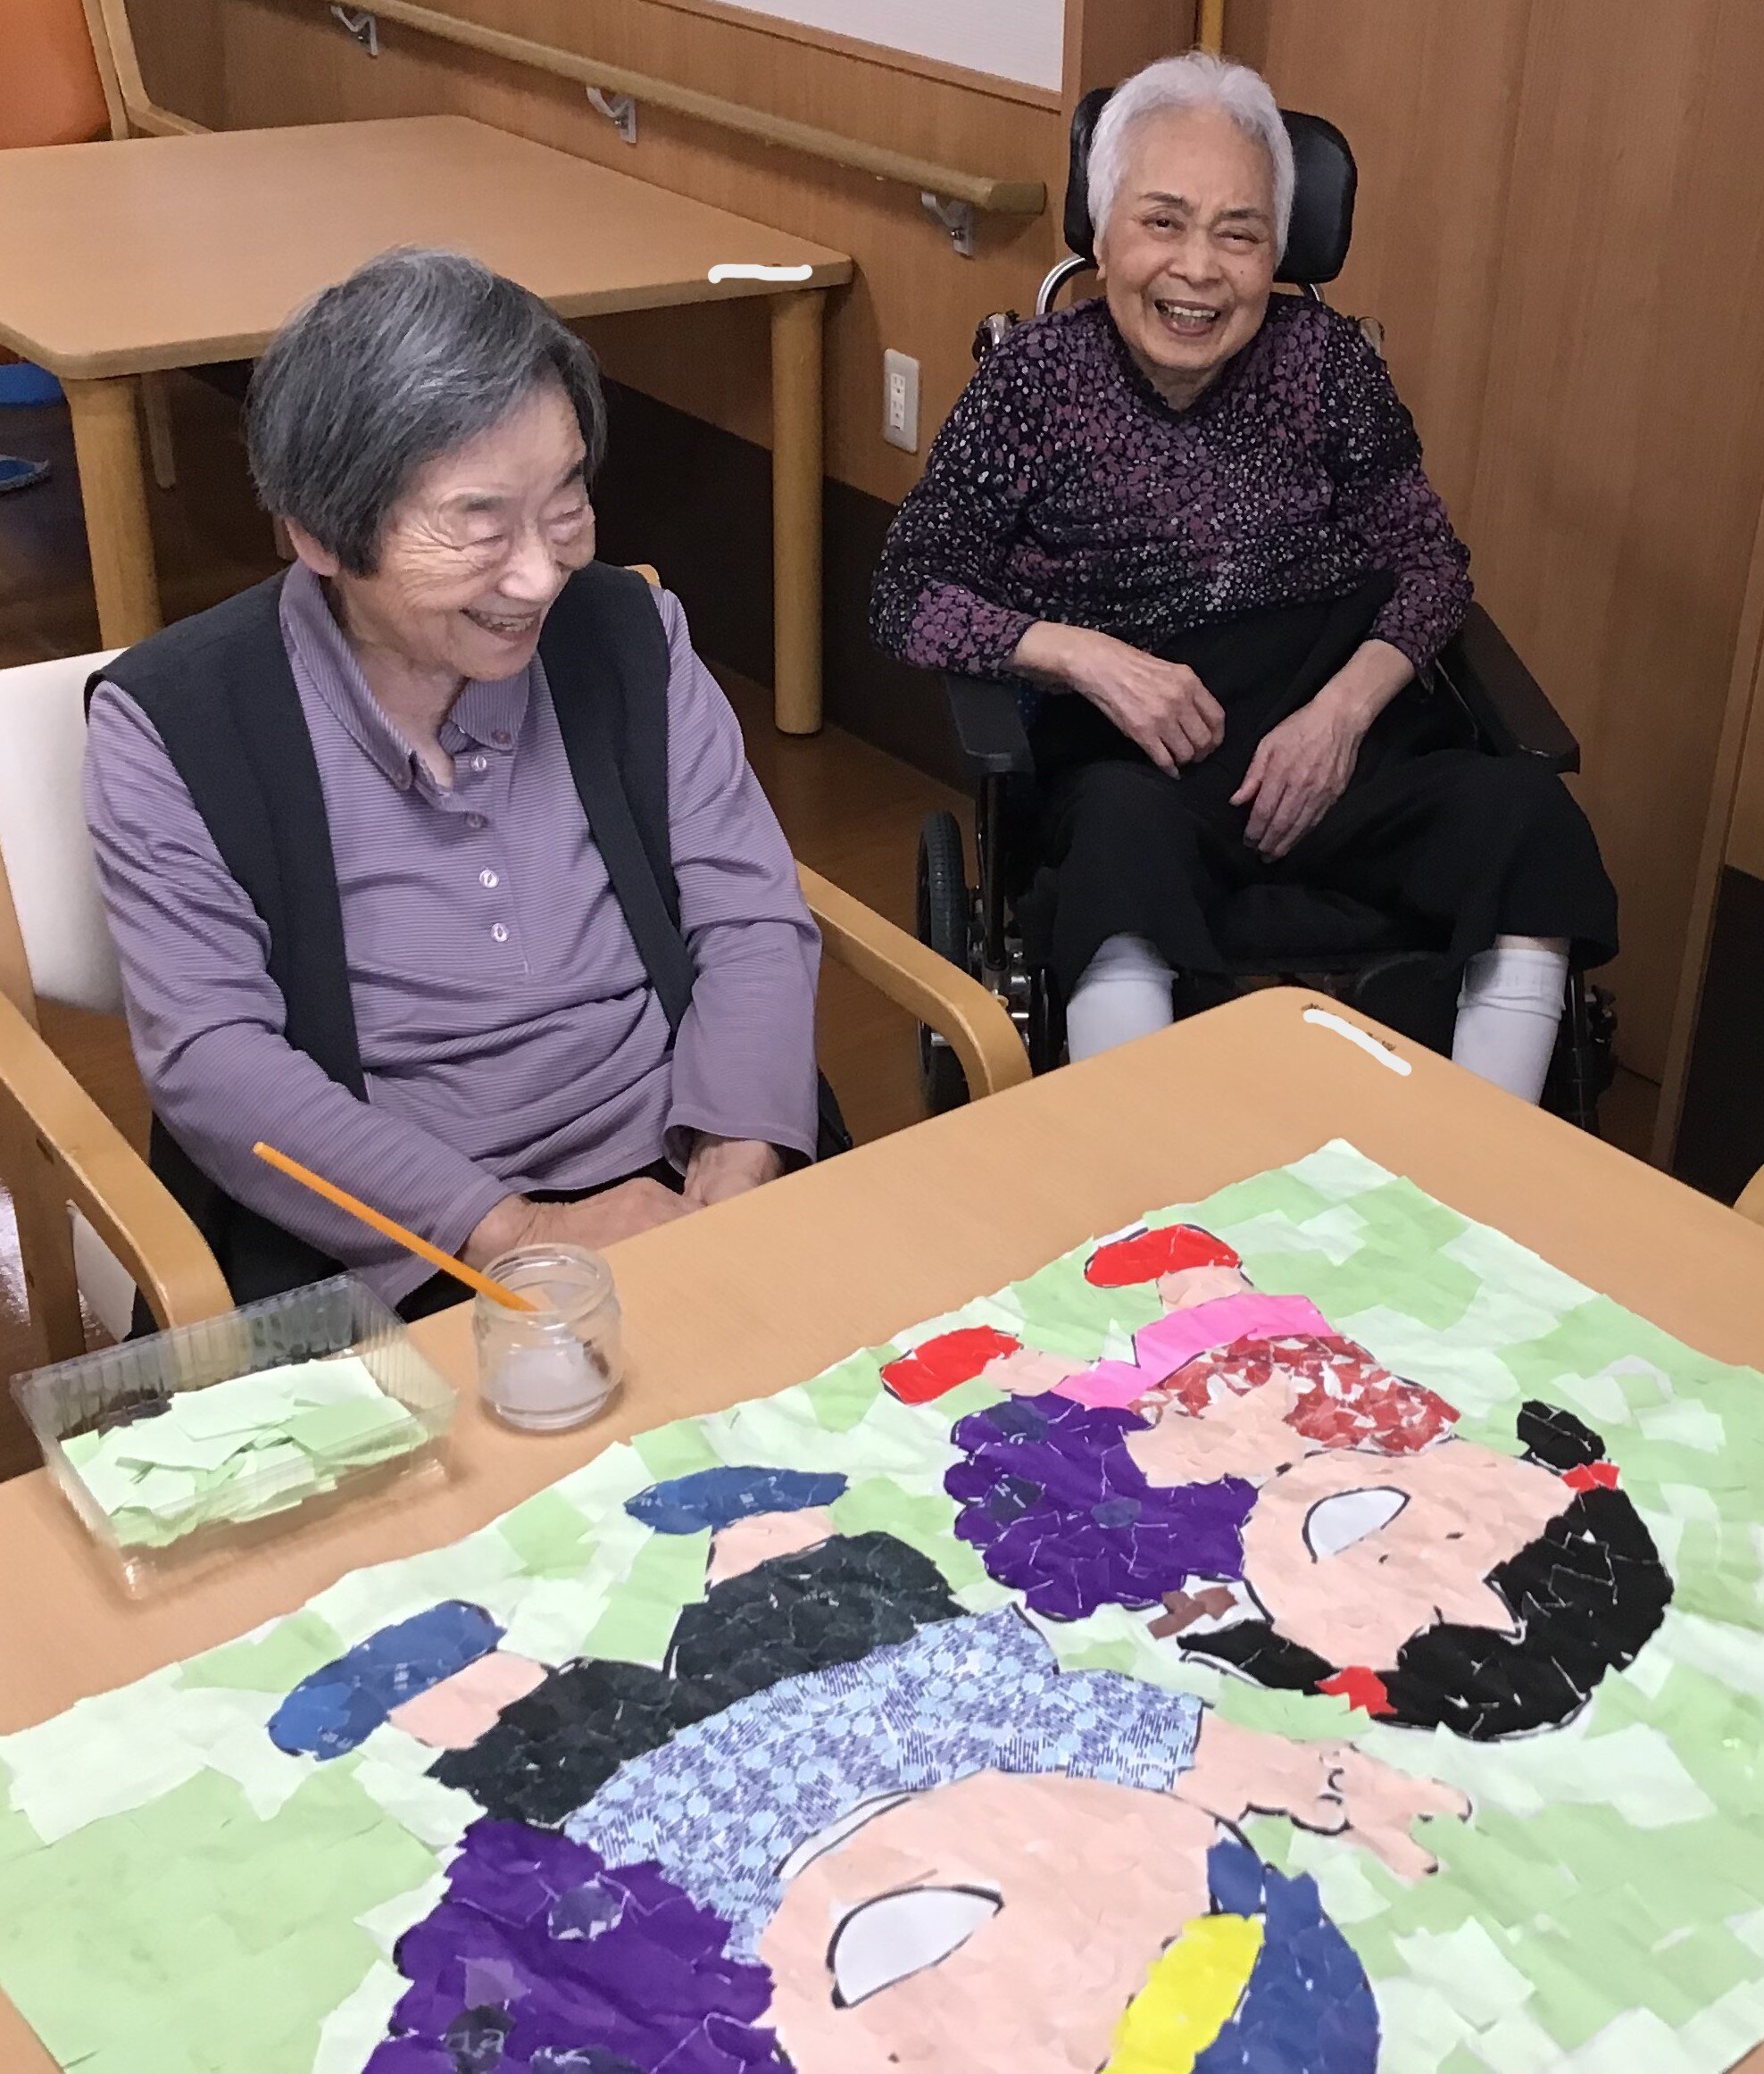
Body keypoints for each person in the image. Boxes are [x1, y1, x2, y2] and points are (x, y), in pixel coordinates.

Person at [870, 51, 1617, 1103]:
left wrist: (1340, 717)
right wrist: (1087, 659)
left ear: (1275, 251)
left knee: (1522, 817)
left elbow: (1428, 566)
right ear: (1102, 233)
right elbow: (906, 590)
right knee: (1114, 845)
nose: (1197, 269)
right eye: (1161, 221)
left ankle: (1482, 1157)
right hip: (1139, 767)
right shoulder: (1030, 383)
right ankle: (1139, 1161)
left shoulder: (1327, 365)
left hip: (1336, 744)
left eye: (1238, 232)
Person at [84, 249, 820, 1316]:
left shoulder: (630, 633)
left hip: (682, 1177)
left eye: (565, 501)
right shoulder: (175, 721)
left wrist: (735, 1162)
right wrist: (521, 1234)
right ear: (318, 532)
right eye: (479, 524)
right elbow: (213, 1060)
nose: (540, 574)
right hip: (395, 1247)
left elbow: (747, 913)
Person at [271, 1483, 1459, 2073]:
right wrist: (1304, 1771)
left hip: (680, 1810)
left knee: (542, 1729)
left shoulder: (689, 1915)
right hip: (889, 1701)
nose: (1050, 1991)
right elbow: (1139, 1732)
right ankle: (758, 1510)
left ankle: (435, 1668)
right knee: (793, 1589)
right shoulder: (995, 1730)